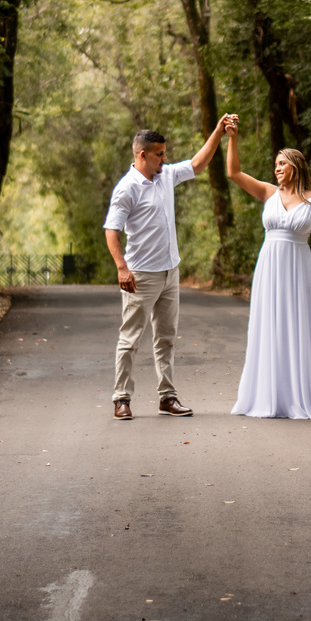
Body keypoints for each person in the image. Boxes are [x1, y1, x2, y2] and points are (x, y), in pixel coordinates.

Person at [104, 117, 233, 420]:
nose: (165, 158)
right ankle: (121, 398)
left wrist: (217, 132)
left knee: (166, 338)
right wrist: (122, 267)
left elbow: (198, 164)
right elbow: (112, 230)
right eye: (160, 154)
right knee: (130, 338)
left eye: (165, 153)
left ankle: (167, 397)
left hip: (169, 272)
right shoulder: (127, 189)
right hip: (141, 275)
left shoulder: (166, 176)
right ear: (142, 155)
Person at [224, 116, 311, 419]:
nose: (277, 169)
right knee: (271, 326)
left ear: (296, 167)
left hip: (300, 268)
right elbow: (234, 172)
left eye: (282, 164)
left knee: (300, 327)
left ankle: (303, 396)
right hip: (270, 267)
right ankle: (270, 396)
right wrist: (232, 137)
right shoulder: (268, 193)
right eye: (275, 165)